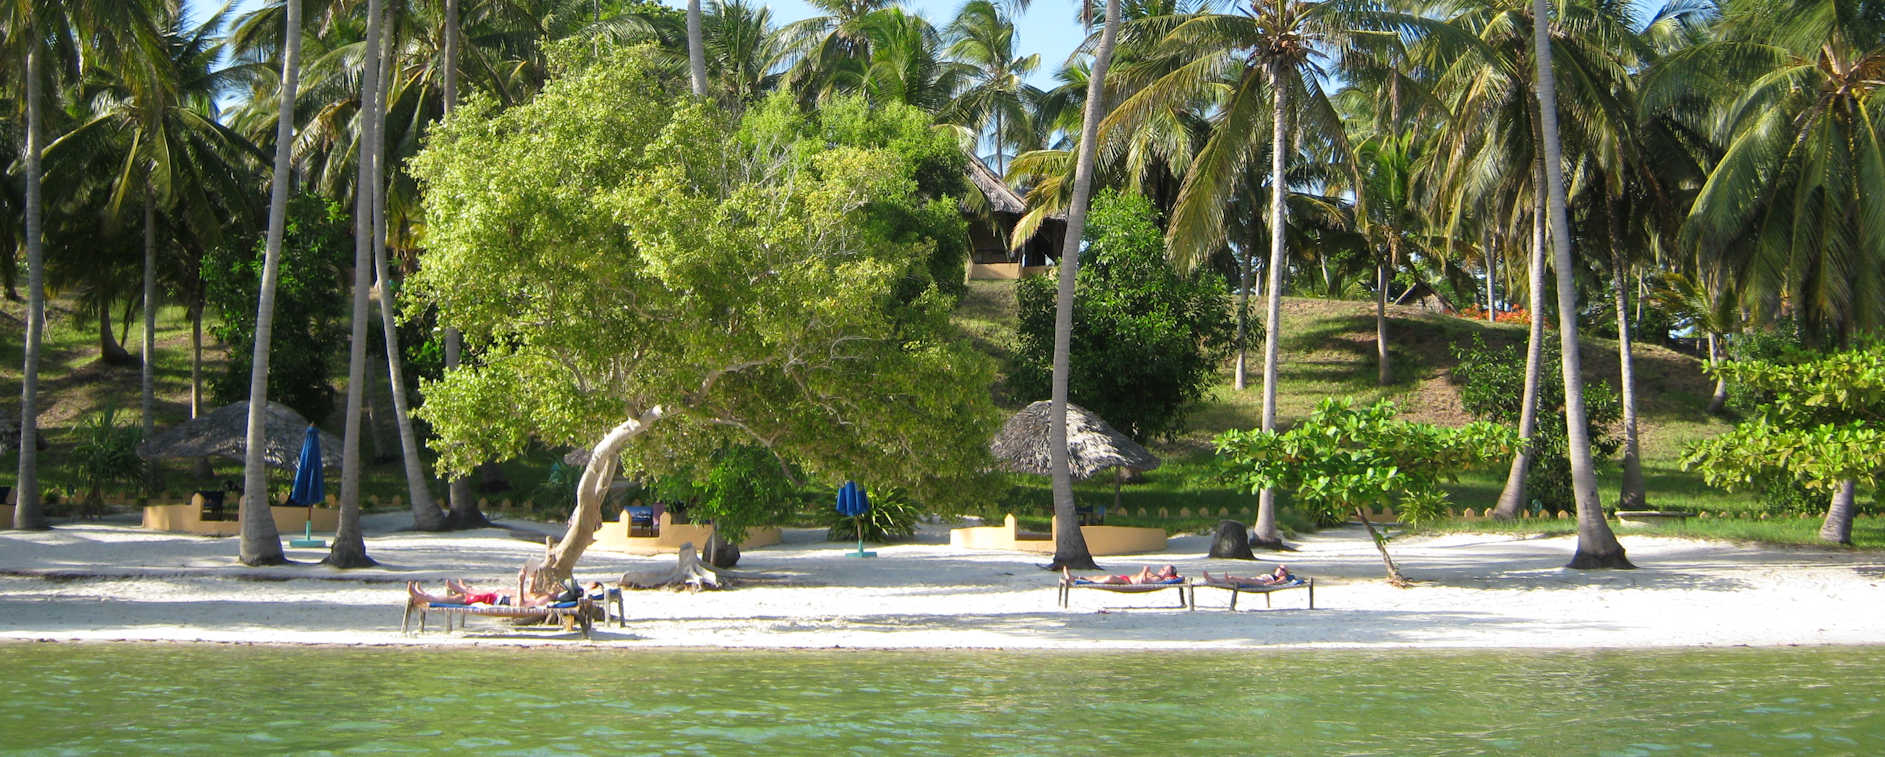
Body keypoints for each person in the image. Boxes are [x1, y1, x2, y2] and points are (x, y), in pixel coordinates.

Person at [1064, 564, 1181, 585]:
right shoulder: (1156, 575)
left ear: (1168, 575)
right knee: (1097, 577)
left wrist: (1145, 571)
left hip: (1128, 583)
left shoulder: (1157, 579)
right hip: (1126, 578)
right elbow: (1179, 576)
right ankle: (1075, 578)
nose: (1162, 569)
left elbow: (1142, 582)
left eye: (1165, 569)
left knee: (1108, 578)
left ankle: (1074, 579)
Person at [1201, 565, 1293, 586]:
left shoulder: (1282, 577)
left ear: (1285, 572)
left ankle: (1229, 580)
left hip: (1264, 582)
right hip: (1260, 579)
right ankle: (1213, 579)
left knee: (1247, 580)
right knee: (1233, 578)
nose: (1279, 569)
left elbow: (1281, 581)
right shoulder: (1273, 574)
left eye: (1282, 569)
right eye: (1279, 567)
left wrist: (1271, 583)